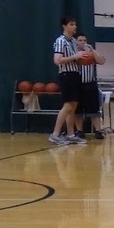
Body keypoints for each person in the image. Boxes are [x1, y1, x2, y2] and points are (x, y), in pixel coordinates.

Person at [49, 16, 86, 146]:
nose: (74, 26)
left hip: (75, 74)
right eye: (71, 24)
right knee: (68, 105)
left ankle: (70, 134)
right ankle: (55, 134)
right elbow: (57, 60)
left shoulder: (73, 42)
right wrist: (75, 56)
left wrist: (82, 59)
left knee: (73, 107)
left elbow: (75, 58)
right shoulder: (61, 41)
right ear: (64, 26)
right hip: (66, 74)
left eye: (75, 24)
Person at [75, 34, 107, 139]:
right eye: (80, 40)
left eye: (84, 40)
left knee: (93, 110)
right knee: (77, 110)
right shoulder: (73, 53)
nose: (83, 42)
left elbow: (101, 61)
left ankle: (98, 130)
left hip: (90, 84)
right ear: (76, 42)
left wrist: (92, 50)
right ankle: (79, 131)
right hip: (77, 84)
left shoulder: (91, 53)